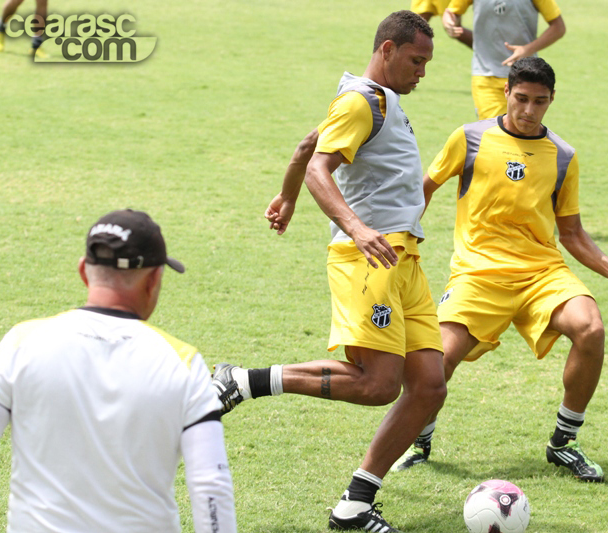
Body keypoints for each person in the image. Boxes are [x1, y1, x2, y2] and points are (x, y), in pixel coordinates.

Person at [212, 10, 446, 532]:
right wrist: (357, 228)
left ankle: (355, 506)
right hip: (370, 259)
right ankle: (241, 381)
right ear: (386, 49)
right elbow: (322, 165)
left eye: (427, 63)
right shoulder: (361, 101)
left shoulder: (379, 101)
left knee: (429, 385)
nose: (422, 72)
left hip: (404, 261)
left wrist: (287, 197)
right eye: (416, 60)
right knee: (379, 384)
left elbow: (304, 149)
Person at [393, 57, 608, 482]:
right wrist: (402, 243)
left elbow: (571, 231)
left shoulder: (562, 155)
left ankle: (564, 442)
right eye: (521, 99)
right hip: (478, 273)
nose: (528, 110)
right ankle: (420, 440)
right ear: (505, 92)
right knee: (439, 361)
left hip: (542, 272)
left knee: (590, 328)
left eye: (539, 102)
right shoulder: (469, 138)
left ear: (551, 100)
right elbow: (423, 191)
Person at [0, 209, 237, 532]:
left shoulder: (20, 343)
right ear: (154, 281)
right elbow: (210, 486)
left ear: (83, 271)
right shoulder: (184, 363)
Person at [442, 0, 566, 119]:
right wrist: (449, 22)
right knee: (492, 133)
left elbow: (558, 27)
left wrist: (527, 49)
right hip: (486, 76)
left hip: (525, 78)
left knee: (522, 131)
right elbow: (451, 12)